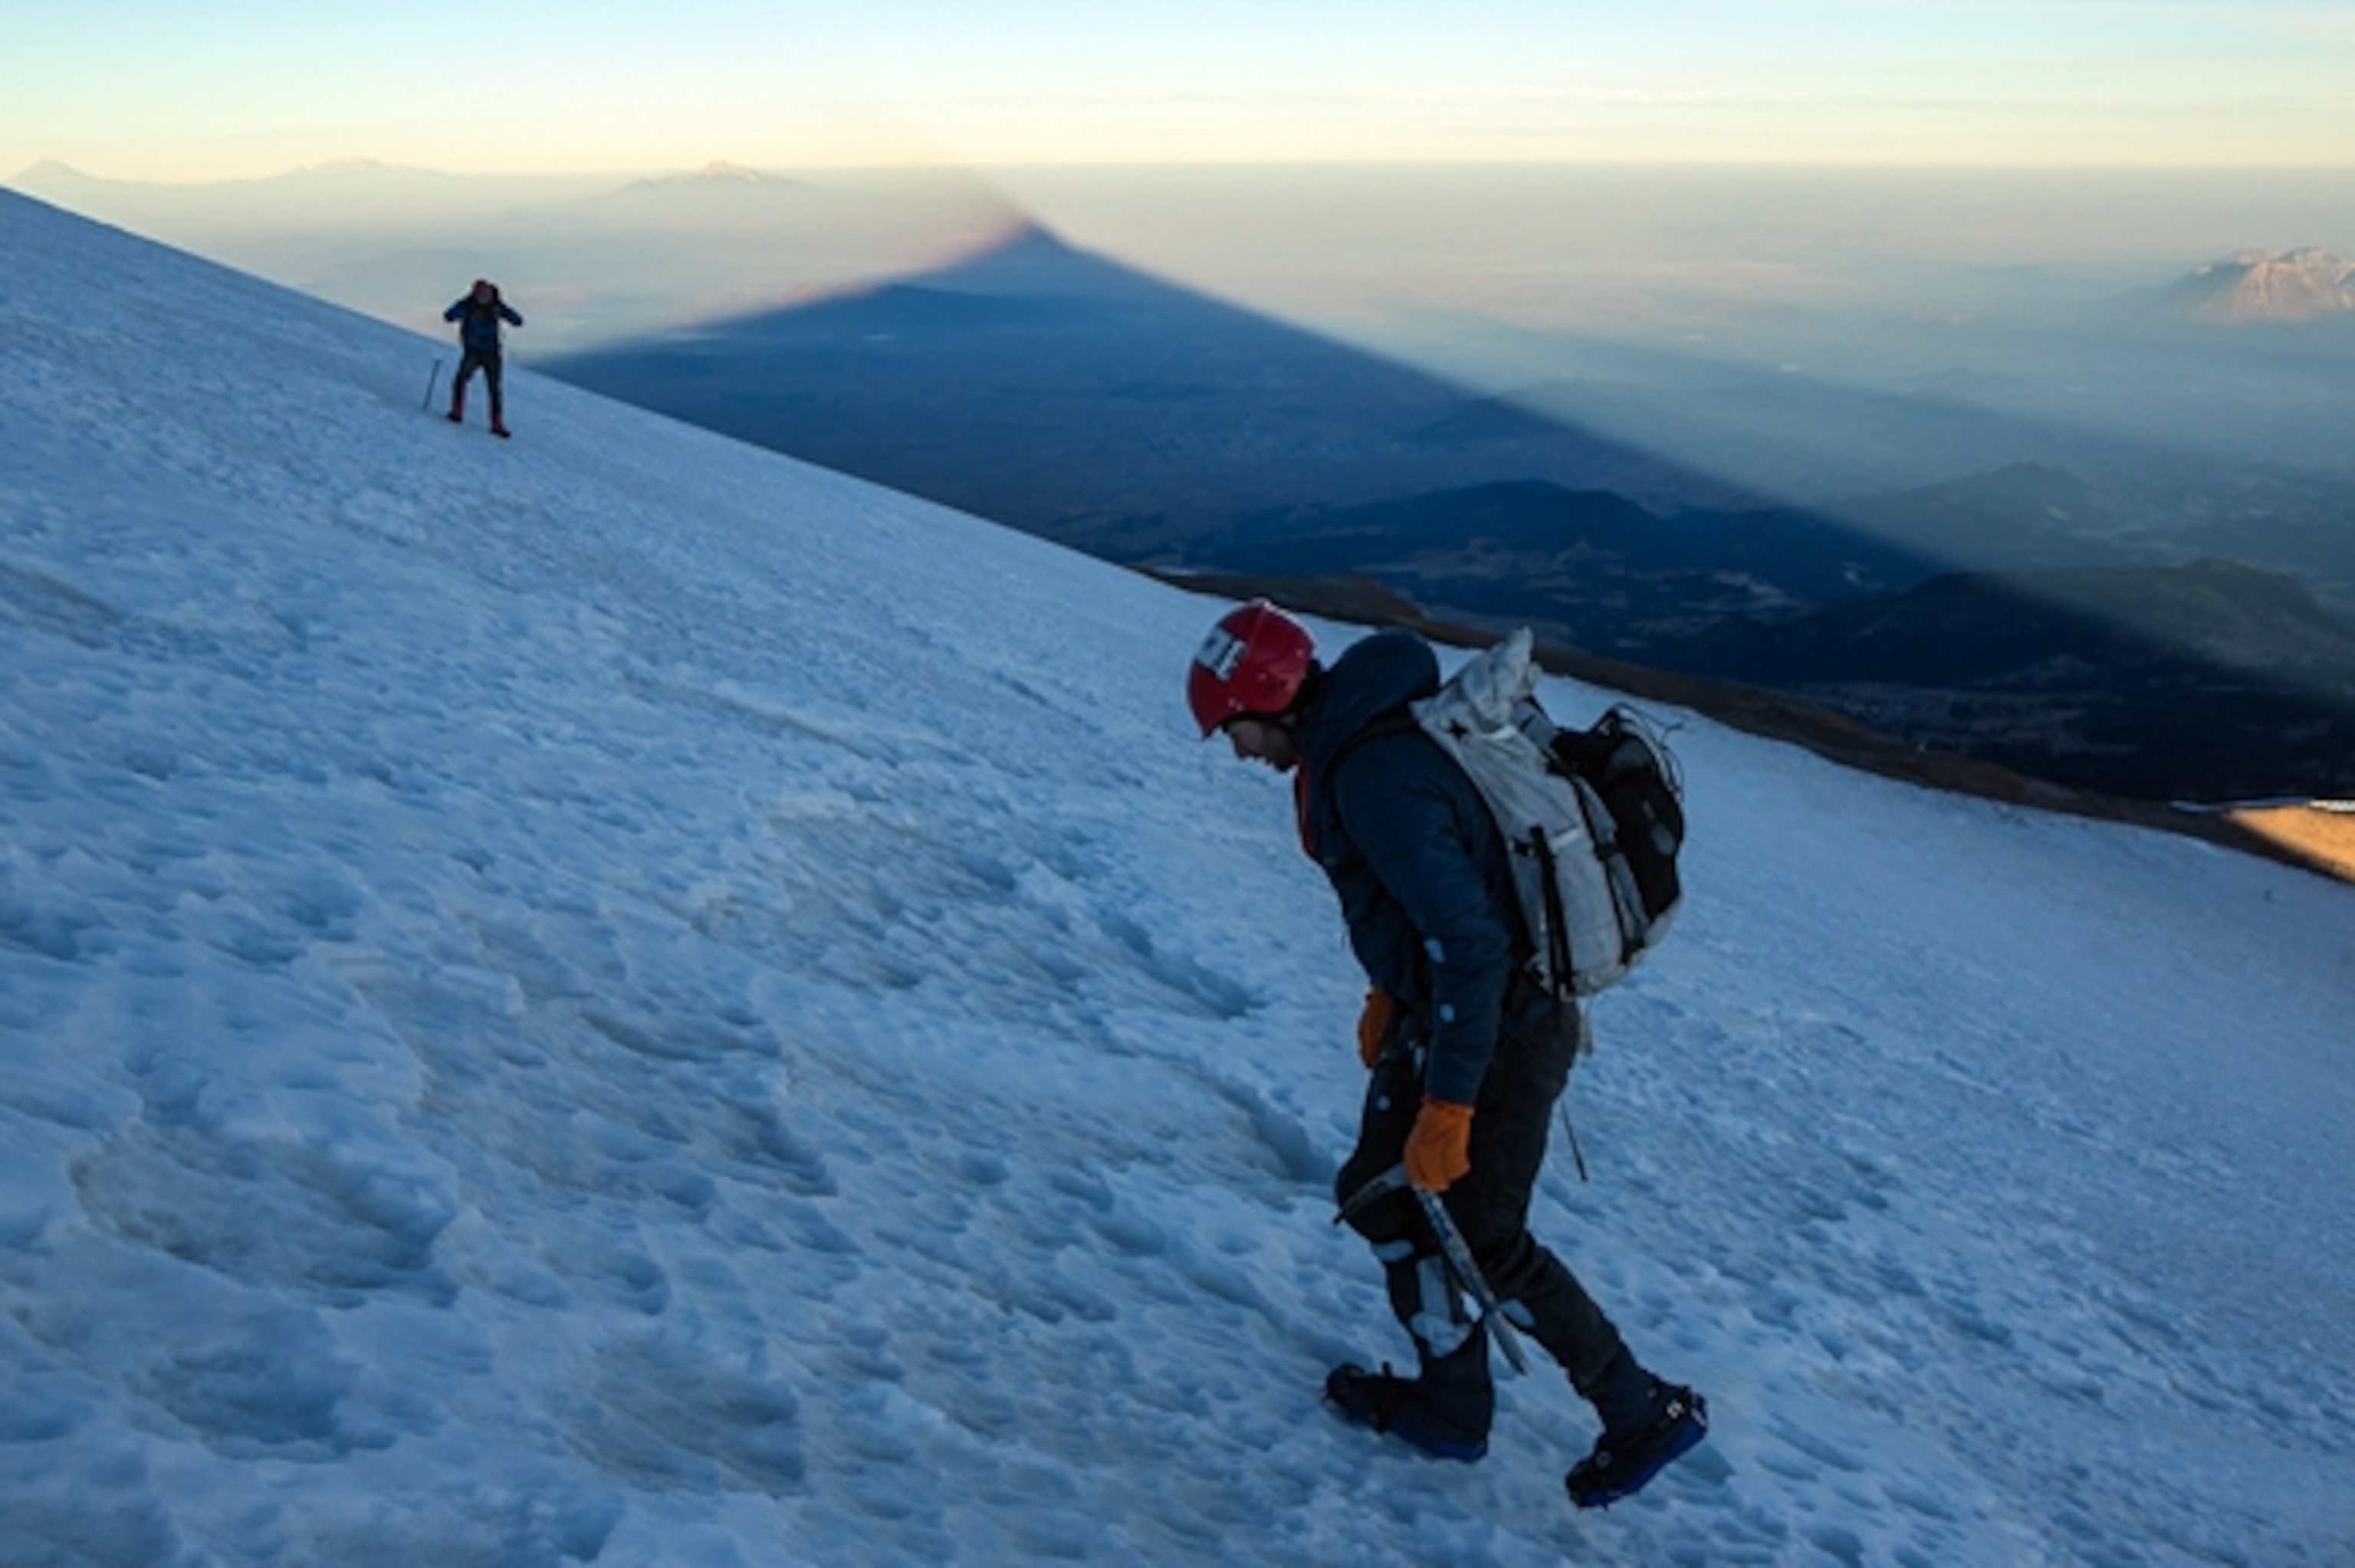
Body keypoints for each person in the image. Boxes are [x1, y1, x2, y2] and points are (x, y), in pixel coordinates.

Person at [1186, 599, 1707, 1511]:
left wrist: (1451, 1105)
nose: (1236, 751)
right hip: (1453, 1013)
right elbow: (1432, 910)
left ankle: (1642, 1410)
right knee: (1382, 1196)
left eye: (1234, 728)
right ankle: (1453, 1402)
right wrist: (1391, 989)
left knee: (1485, 1234)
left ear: (1270, 699)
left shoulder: (1373, 774)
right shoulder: (1353, 746)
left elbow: (1473, 945)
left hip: (1503, 1026)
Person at [442, 279, 524, 437]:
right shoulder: (487, 306)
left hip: (483, 351)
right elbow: (517, 320)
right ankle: (492, 422)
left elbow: (449, 316)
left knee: (477, 384)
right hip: (484, 351)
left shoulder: (476, 305)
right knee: (487, 387)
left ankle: (463, 413)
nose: (483, 298)